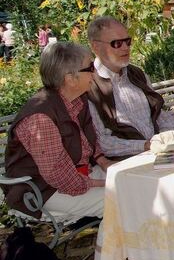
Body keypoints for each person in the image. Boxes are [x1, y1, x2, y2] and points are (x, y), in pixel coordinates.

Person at [2, 42, 114, 220]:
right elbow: (60, 177)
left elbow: (90, 140)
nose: (95, 72)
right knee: (120, 200)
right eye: (90, 67)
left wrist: (103, 162)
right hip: (43, 190)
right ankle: (118, 246)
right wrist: (103, 183)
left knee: (133, 182)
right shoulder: (41, 118)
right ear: (70, 78)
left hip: (80, 174)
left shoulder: (75, 100)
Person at [86, 16, 174, 159]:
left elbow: (160, 115)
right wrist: (146, 145)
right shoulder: (89, 85)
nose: (125, 48)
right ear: (95, 47)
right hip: (125, 163)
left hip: (158, 154)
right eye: (116, 43)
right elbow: (102, 142)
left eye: (127, 41)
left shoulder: (137, 74)